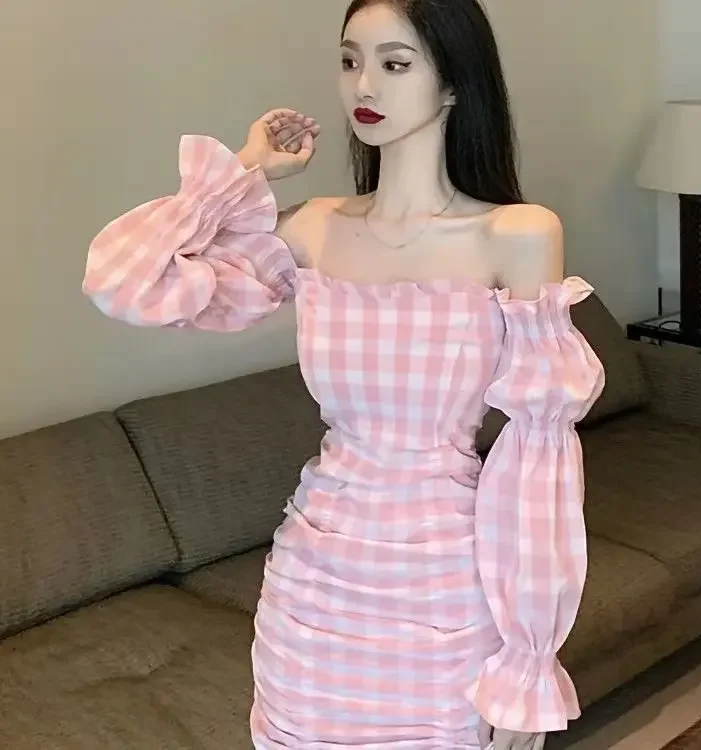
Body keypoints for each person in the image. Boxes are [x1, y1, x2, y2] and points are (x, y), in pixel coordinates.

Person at [82, 0, 605, 747]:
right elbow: (127, 283)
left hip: (442, 587)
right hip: (314, 584)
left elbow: (539, 468)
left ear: (454, 84)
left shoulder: (517, 235)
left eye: (395, 64)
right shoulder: (311, 228)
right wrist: (243, 171)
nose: (365, 84)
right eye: (350, 59)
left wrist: (530, 658)